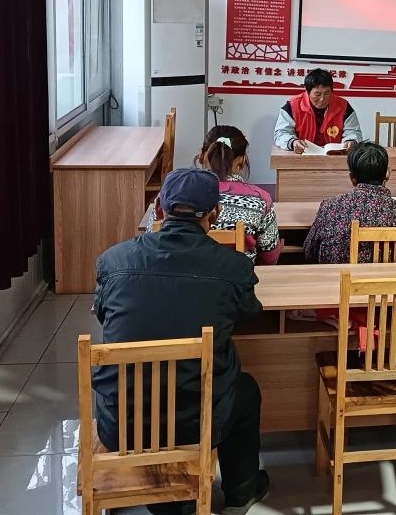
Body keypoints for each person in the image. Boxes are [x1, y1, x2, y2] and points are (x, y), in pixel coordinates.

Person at [93, 169, 269, 515]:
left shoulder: (113, 260)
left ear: (159, 207)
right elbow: (250, 314)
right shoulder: (233, 267)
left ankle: (169, 498)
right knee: (245, 390)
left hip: (121, 425)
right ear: (215, 214)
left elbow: (104, 316)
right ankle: (240, 494)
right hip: (196, 424)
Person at [304, 142, 396, 264]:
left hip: (337, 276)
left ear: (352, 178)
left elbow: (309, 252)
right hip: (388, 276)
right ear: (387, 174)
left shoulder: (329, 207)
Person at [197, 125, 280, 265]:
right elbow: (270, 257)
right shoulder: (260, 199)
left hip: (183, 276)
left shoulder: (176, 194)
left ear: (201, 155)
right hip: (238, 276)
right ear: (241, 161)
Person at [273, 68, 362, 153]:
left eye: (327, 93)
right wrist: (293, 142)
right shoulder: (292, 106)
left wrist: (351, 141)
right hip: (301, 156)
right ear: (308, 92)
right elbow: (281, 133)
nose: (322, 99)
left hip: (334, 157)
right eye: (317, 94)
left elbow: (354, 132)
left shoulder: (344, 106)